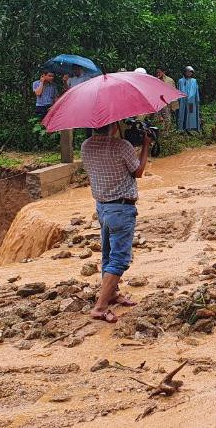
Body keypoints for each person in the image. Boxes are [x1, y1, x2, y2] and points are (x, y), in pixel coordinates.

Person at [80, 120, 151, 323]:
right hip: (121, 208)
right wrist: (145, 145)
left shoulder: (86, 146)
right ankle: (100, 307)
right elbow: (138, 172)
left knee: (107, 254)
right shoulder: (122, 146)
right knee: (119, 259)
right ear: (114, 125)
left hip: (102, 207)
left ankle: (111, 293)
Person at [177, 66, 200, 132]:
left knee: (191, 113)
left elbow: (196, 91)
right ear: (185, 72)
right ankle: (182, 129)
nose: (189, 73)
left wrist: (197, 100)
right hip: (183, 101)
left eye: (191, 72)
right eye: (188, 71)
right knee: (182, 113)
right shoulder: (181, 81)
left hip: (191, 102)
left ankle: (191, 129)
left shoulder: (194, 81)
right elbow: (178, 91)